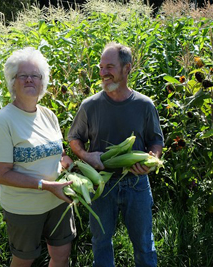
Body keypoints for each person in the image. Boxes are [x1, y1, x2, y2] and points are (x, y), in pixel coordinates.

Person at [68, 42, 164, 267]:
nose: (103, 73)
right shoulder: (89, 106)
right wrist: (87, 156)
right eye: (101, 67)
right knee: (101, 241)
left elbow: (156, 140)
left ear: (127, 68)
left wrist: (151, 161)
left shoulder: (144, 105)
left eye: (109, 67)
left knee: (144, 244)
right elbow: (74, 139)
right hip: (101, 185)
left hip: (137, 183)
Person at [0, 47, 76, 267]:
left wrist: (69, 164)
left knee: (61, 255)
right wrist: (45, 185)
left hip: (58, 200)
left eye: (35, 75)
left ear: (43, 82)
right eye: (22, 76)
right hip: (24, 208)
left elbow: (58, 152)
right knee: (25, 260)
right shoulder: (2, 121)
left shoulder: (48, 115)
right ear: (12, 82)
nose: (29, 80)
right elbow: (0, 174)